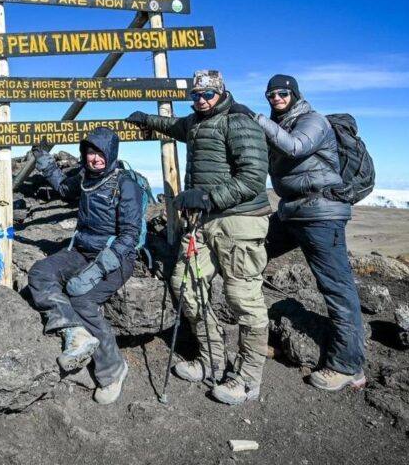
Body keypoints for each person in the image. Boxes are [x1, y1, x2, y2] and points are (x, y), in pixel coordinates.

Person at [126, 70, 272, 406]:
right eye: (196, 95)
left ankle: (248, 380)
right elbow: (174, 126)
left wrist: (206, 198)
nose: (201, 100)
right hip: (203, 224)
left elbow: (252, 179)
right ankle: (212, 360)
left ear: (221, 92)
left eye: (207, 94)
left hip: (240, 223)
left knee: (243, 300)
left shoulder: (239, 122)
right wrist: (144, 119)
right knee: (184, 284)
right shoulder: (195, 122)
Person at [229, 74, 366, 391]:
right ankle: (255, 334)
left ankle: (348, 368)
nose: (275, 97)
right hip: (291, 211)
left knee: (337, 289)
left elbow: (295, 148)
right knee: (249, 254)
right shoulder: (280, 125)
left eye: (281, 92)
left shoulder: (312, 121)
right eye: (270, 95)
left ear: (293, 93)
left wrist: (254, 117)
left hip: (320, 215)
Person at [27, 126, 143, 405]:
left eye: (100, 153)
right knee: (40, 272)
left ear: (111, 153)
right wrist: (44, 160)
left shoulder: (125, 184)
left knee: (82, 298)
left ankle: (112, 370)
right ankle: (74, 331)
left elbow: (131, 235)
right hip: (81, 250)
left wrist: (99, 269)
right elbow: (63, 188)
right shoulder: (84, 177)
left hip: (116, 258)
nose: (95, 159)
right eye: (90, 153)